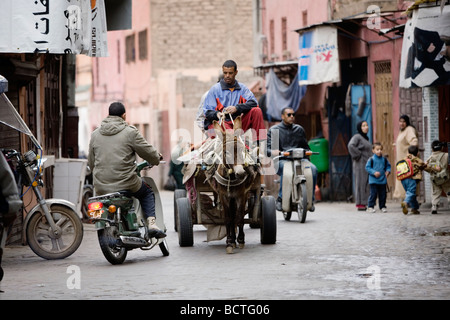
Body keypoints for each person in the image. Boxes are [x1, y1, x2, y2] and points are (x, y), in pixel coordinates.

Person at [88, 102, 166, 238]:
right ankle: (152, 224)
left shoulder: (95, 134)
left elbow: (91, 162)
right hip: (126, 182)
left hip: (101, 186)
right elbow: (147, 151)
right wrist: (156, 159)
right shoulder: (130, 132)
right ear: (124, 116)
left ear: (108, 115)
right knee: (147, 191)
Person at [203, 60, 267, 144]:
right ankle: (243, 147)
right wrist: (217, 114)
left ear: (236, 72)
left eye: (230, 73)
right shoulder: (215, 89)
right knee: (229, 133)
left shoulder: (242, 88)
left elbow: (253, 103)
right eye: (225, 73)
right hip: (221, 124)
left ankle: (258, 144)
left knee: (256, 110)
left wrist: (237, 108)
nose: (227, 76)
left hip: (237, 123)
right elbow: (207, 112)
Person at [267, 107, 318, 212]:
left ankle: (311, 200)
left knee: (313, 169)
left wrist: (307, 153)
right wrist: (274, 152)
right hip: (282, 160)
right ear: (282, 116)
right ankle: (280, 199)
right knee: (287, 172)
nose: (292, 117)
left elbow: (306, 147)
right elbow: (267, 149)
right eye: (289, 115)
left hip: (300, 159)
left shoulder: (299, 129)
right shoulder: (274, 130)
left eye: (293, 115)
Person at [400, 145, 433, 215]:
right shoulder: (417, 160)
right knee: (411, 193)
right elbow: (427, 167)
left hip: (403, 179)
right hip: (412, 179)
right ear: (417, 153)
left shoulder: (404, 159)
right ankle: (405, 202)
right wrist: (435, 169)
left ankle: (414, 208)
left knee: (411, 194)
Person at [347, 120, 372, 211]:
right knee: (361, 183)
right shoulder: (357, 136)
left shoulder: (365, 138)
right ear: (359, 128)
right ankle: (360, 203)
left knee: (366, 183)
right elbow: (350, 145)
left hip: (366, 164)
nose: (366, 127)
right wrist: (358, 155)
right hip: (360, 164)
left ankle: (366, 202)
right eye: (363, 126)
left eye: (367, 125)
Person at [393, 115, 418, 200]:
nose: (402, 123)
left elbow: (414, 141)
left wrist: (411, 155)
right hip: (402, 162)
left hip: (408, 162)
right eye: (400, 121)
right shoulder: (402, 131)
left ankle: (409, 200)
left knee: (408, 181)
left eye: (404, 121)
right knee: (403, 180)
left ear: (407, 122)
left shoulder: (409, 130)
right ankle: (408, 200)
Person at [365, 142, 391, 213]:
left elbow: (388, 166)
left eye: (380, 149)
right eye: (377, 149)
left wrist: (388, 171)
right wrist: (374, 172)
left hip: (382, 180)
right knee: (373, 194)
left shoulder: (384, 159)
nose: (379, 151)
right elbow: (367, 167)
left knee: (383, 194)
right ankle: (370, 206)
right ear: (373, 150)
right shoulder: (371, 159)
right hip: (373, 180)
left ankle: (382, 206)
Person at [425, 140, 450, 214]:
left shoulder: (430, 158)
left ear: (432, 149)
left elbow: (426, 168)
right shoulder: (446, 155)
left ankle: (434, 206)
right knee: (448, 191)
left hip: (435, 179)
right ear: (442, 148)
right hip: (445, 178)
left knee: (435, 193)